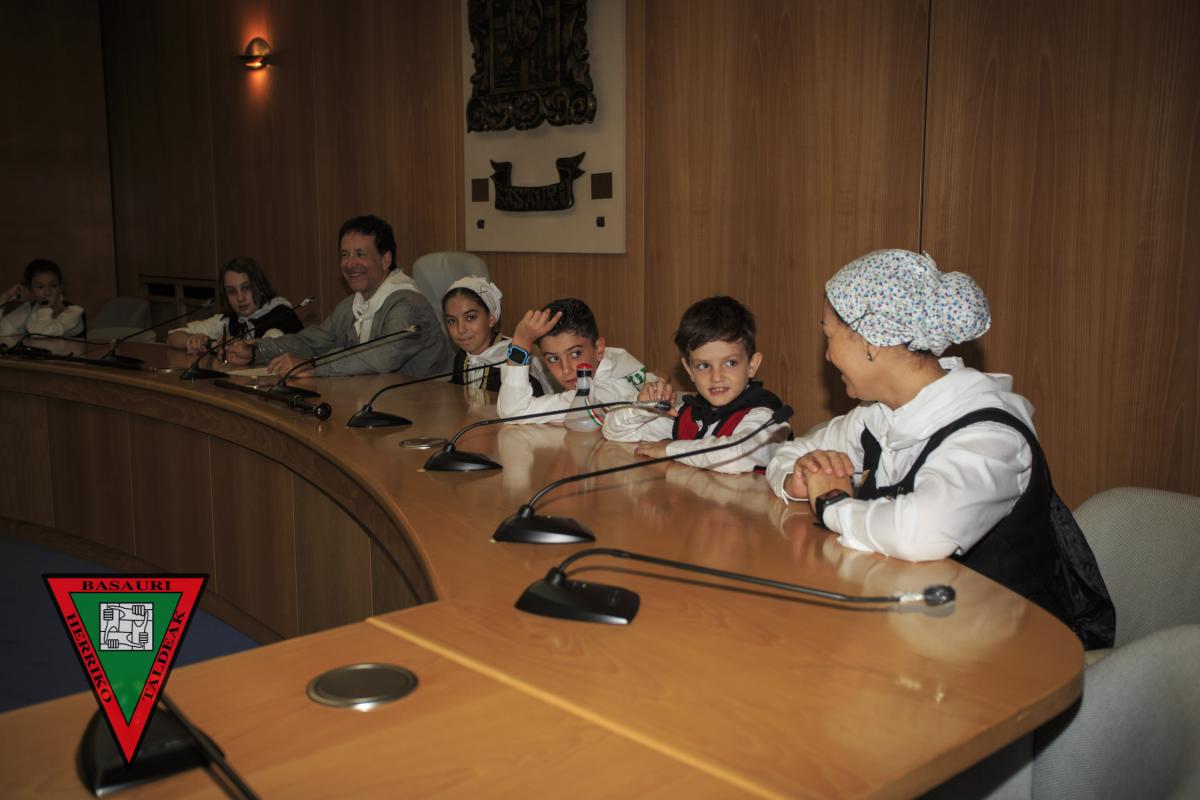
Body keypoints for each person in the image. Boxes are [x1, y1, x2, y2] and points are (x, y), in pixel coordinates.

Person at [765, 248, 1113, 648]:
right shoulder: (878, 415)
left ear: (870, 342)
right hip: (918, 634)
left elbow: (923, 533)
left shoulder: (991, 438)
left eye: (829, 337)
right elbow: (789, 452)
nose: (827, 355)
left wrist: (831, 502)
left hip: (1011, 651)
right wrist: (797, 479)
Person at [225, 215, 452, 378]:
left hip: (427, 411)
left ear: (385, 259)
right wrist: (256, 351)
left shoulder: (407, 304)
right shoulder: (352, 304)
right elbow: (311, 342)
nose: (350, 264)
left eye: (360, 254)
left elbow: (381, 357)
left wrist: (314, 366)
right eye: (344, 255)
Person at [602, 296, 790, 473]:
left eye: (730, 363)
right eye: (703, 366)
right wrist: (643, 407)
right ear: (689, 369)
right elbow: (613, 431)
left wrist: (670, 449)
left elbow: (736, 455)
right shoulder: (689, 413)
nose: (716, 377)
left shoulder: (767, 417)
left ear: (752, 365)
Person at [497, 297, 653, 423]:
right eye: (553, 358)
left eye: (575, 354)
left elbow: (513, 412)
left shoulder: (601, 393)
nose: (566, 369)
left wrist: (521, 343)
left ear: (599, 349)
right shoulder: (610, 359)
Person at [166, 257, 303, 353]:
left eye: (246, 288)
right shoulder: (230, 319)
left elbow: (270, 344)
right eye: (231, 291)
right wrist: (195, 340)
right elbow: (172, 337)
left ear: (259, 286)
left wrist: (221, 345)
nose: (240, 298)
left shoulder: (282, 315)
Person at [441, 276, 548, 396]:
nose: (460, 329)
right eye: (452, 321)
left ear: (491, 318)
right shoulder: (463, 357)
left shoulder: (515, 361)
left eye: (470, 317)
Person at [1, 259, 86, 338]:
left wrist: (45, 309)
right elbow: (2, 331)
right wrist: (5, 296)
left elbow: (40, 335)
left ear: (61, 287)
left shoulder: (73, 313)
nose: (47, 292)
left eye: (53, 286)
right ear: (30, 289)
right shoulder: (30, 308)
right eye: (40, 287)